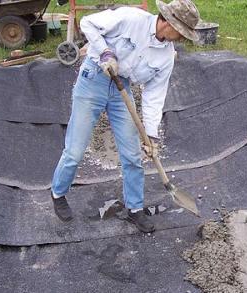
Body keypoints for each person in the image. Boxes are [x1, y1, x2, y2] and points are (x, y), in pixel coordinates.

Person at [50, 0, 200, 233]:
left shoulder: (166, 56)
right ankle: (58, 192)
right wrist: (105, 52)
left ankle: (135, 209)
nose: (181, 38)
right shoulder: (132, 19)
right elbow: (88, 23)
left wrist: (151, 136)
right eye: (181, 32)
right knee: (75, 150)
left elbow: (154, 96)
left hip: (123, 90)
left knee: (132, 155)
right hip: (94, 81)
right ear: (169, 22)